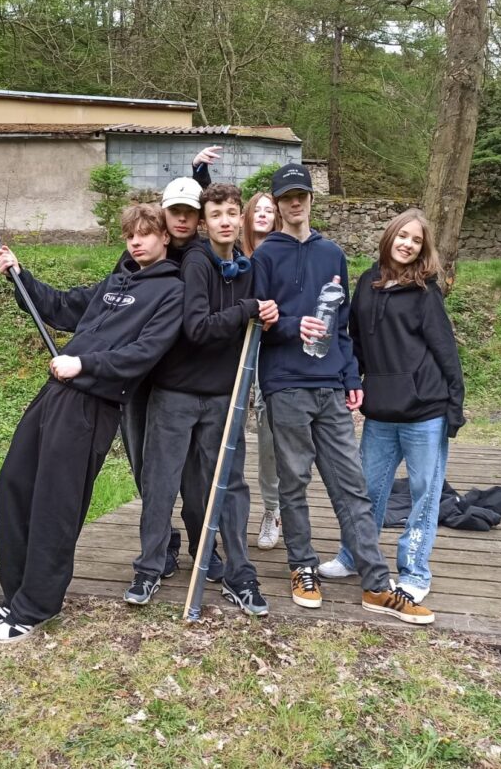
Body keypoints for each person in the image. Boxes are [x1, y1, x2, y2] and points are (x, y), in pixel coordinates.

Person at [0, 203, 184, 643]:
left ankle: (37, 607)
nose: (136, 241)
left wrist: (84, 364)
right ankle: (16, 594)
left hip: (92, 403)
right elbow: (58, 306)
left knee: (57, 502)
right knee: (14, 483)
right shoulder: (116, 282)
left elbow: (143, 354)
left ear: (165, 237)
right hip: (55, 392)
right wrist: (20, 275)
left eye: (146, 233)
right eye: (131, 234)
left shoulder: (172, 292)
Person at [252, 163, 433, 624]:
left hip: (331, 385)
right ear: (276, 204)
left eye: (301, 196)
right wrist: (293, 326)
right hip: (285, 383)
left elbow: (345, 325)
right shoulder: (264, 256)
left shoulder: (332, 253)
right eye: (286, 197)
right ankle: (302, 566)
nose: (295, 203)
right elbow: (256, 323)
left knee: (351, 486)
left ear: (311, 199)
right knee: (293, 480)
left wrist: (352, 376)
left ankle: (376, 583)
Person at [125, 183, 278, 615]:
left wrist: (267, 313)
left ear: (242, 218)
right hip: (176, 393)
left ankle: (239, 575)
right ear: (204, 223)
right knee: (161, 482)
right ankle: (149, 567)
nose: (226, 221)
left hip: (223, 397)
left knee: (227, 487)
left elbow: (257, 311)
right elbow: (197, 327)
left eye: (233, 213)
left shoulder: (246, 266)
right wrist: (248, 309)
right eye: (216, 215)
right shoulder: (195, 261)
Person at [318, 209, 465, 613]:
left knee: (424, 495)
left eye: (416, 240)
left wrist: (455, 404)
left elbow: (445, 351)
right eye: (402, 236)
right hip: (381, 411)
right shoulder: (367, 282)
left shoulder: (425, 292)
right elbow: (356, 343)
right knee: (365, 491)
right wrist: (352, 381)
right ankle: (354, 557)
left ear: (422, 249)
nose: (407, 244)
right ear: (389, 238)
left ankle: (414, 573)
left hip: (425, 411)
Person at [118, 148, 225, 582]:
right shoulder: (138, 257)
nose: (181, 221)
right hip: (143, 379)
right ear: (163, 218)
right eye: (173, 213)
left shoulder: (206, 255)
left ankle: (205, 546)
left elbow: (221, 210)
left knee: (199, 478)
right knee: (148, 470)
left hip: (191, 382)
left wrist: (200, 174)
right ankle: (163, 545)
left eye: (189, 213)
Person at [241, 192, 284, 550]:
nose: (264, 214)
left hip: (272, 351)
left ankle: (273, 509)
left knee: (268, 432)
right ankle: (229, 511)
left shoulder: (285, 255)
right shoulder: (235, 255)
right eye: (259, 208)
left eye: (271, 210)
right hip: (233, 352)